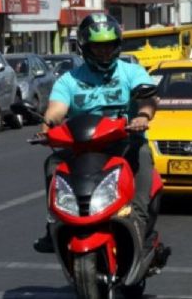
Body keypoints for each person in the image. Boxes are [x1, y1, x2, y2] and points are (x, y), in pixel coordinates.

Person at [33, 13, 158, 253]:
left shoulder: (131, 71)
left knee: (143, 158)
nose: (104, 52)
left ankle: (139, 227)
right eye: (97, 47)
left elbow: (148, 98)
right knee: (53, 164)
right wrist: (46, 128)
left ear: (117, 46)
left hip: (126, 144)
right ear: (85, 47)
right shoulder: (69, 80)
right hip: (82, 148)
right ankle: (54, 224)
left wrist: (142, 117)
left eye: (109, 46)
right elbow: (56, 110)